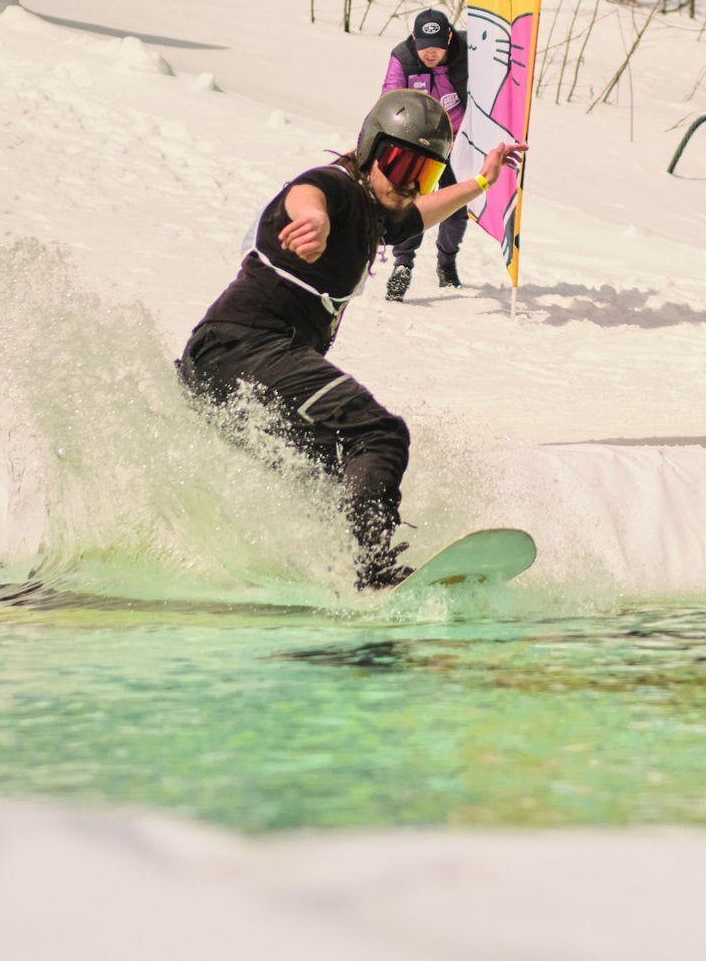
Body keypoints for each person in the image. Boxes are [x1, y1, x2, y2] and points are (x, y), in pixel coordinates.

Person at [177, 91, 520, 589]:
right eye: (399, 163)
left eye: (421, 174)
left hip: (231, 362)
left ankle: (329, 567)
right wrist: (312, 219)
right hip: (240, 348)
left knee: (331, 467)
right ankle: (372, 571)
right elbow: (306, 192)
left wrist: (483, 180)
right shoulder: (336, 189)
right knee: (378, 435)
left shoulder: (375, 210)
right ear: (368, 149)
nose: (406, 183)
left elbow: (418, 215)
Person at [380, 7, 470, 299]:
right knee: (409, 205)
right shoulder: (403, 57)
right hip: (418, 142)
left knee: (455, 208)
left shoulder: (469, 52)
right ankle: (402, 265)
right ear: (413, 38)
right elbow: (390, 99)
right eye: (423, 47)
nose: (430, 54)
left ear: (449, 39)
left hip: (457, 142)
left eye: (437, 48)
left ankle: (447, 262)